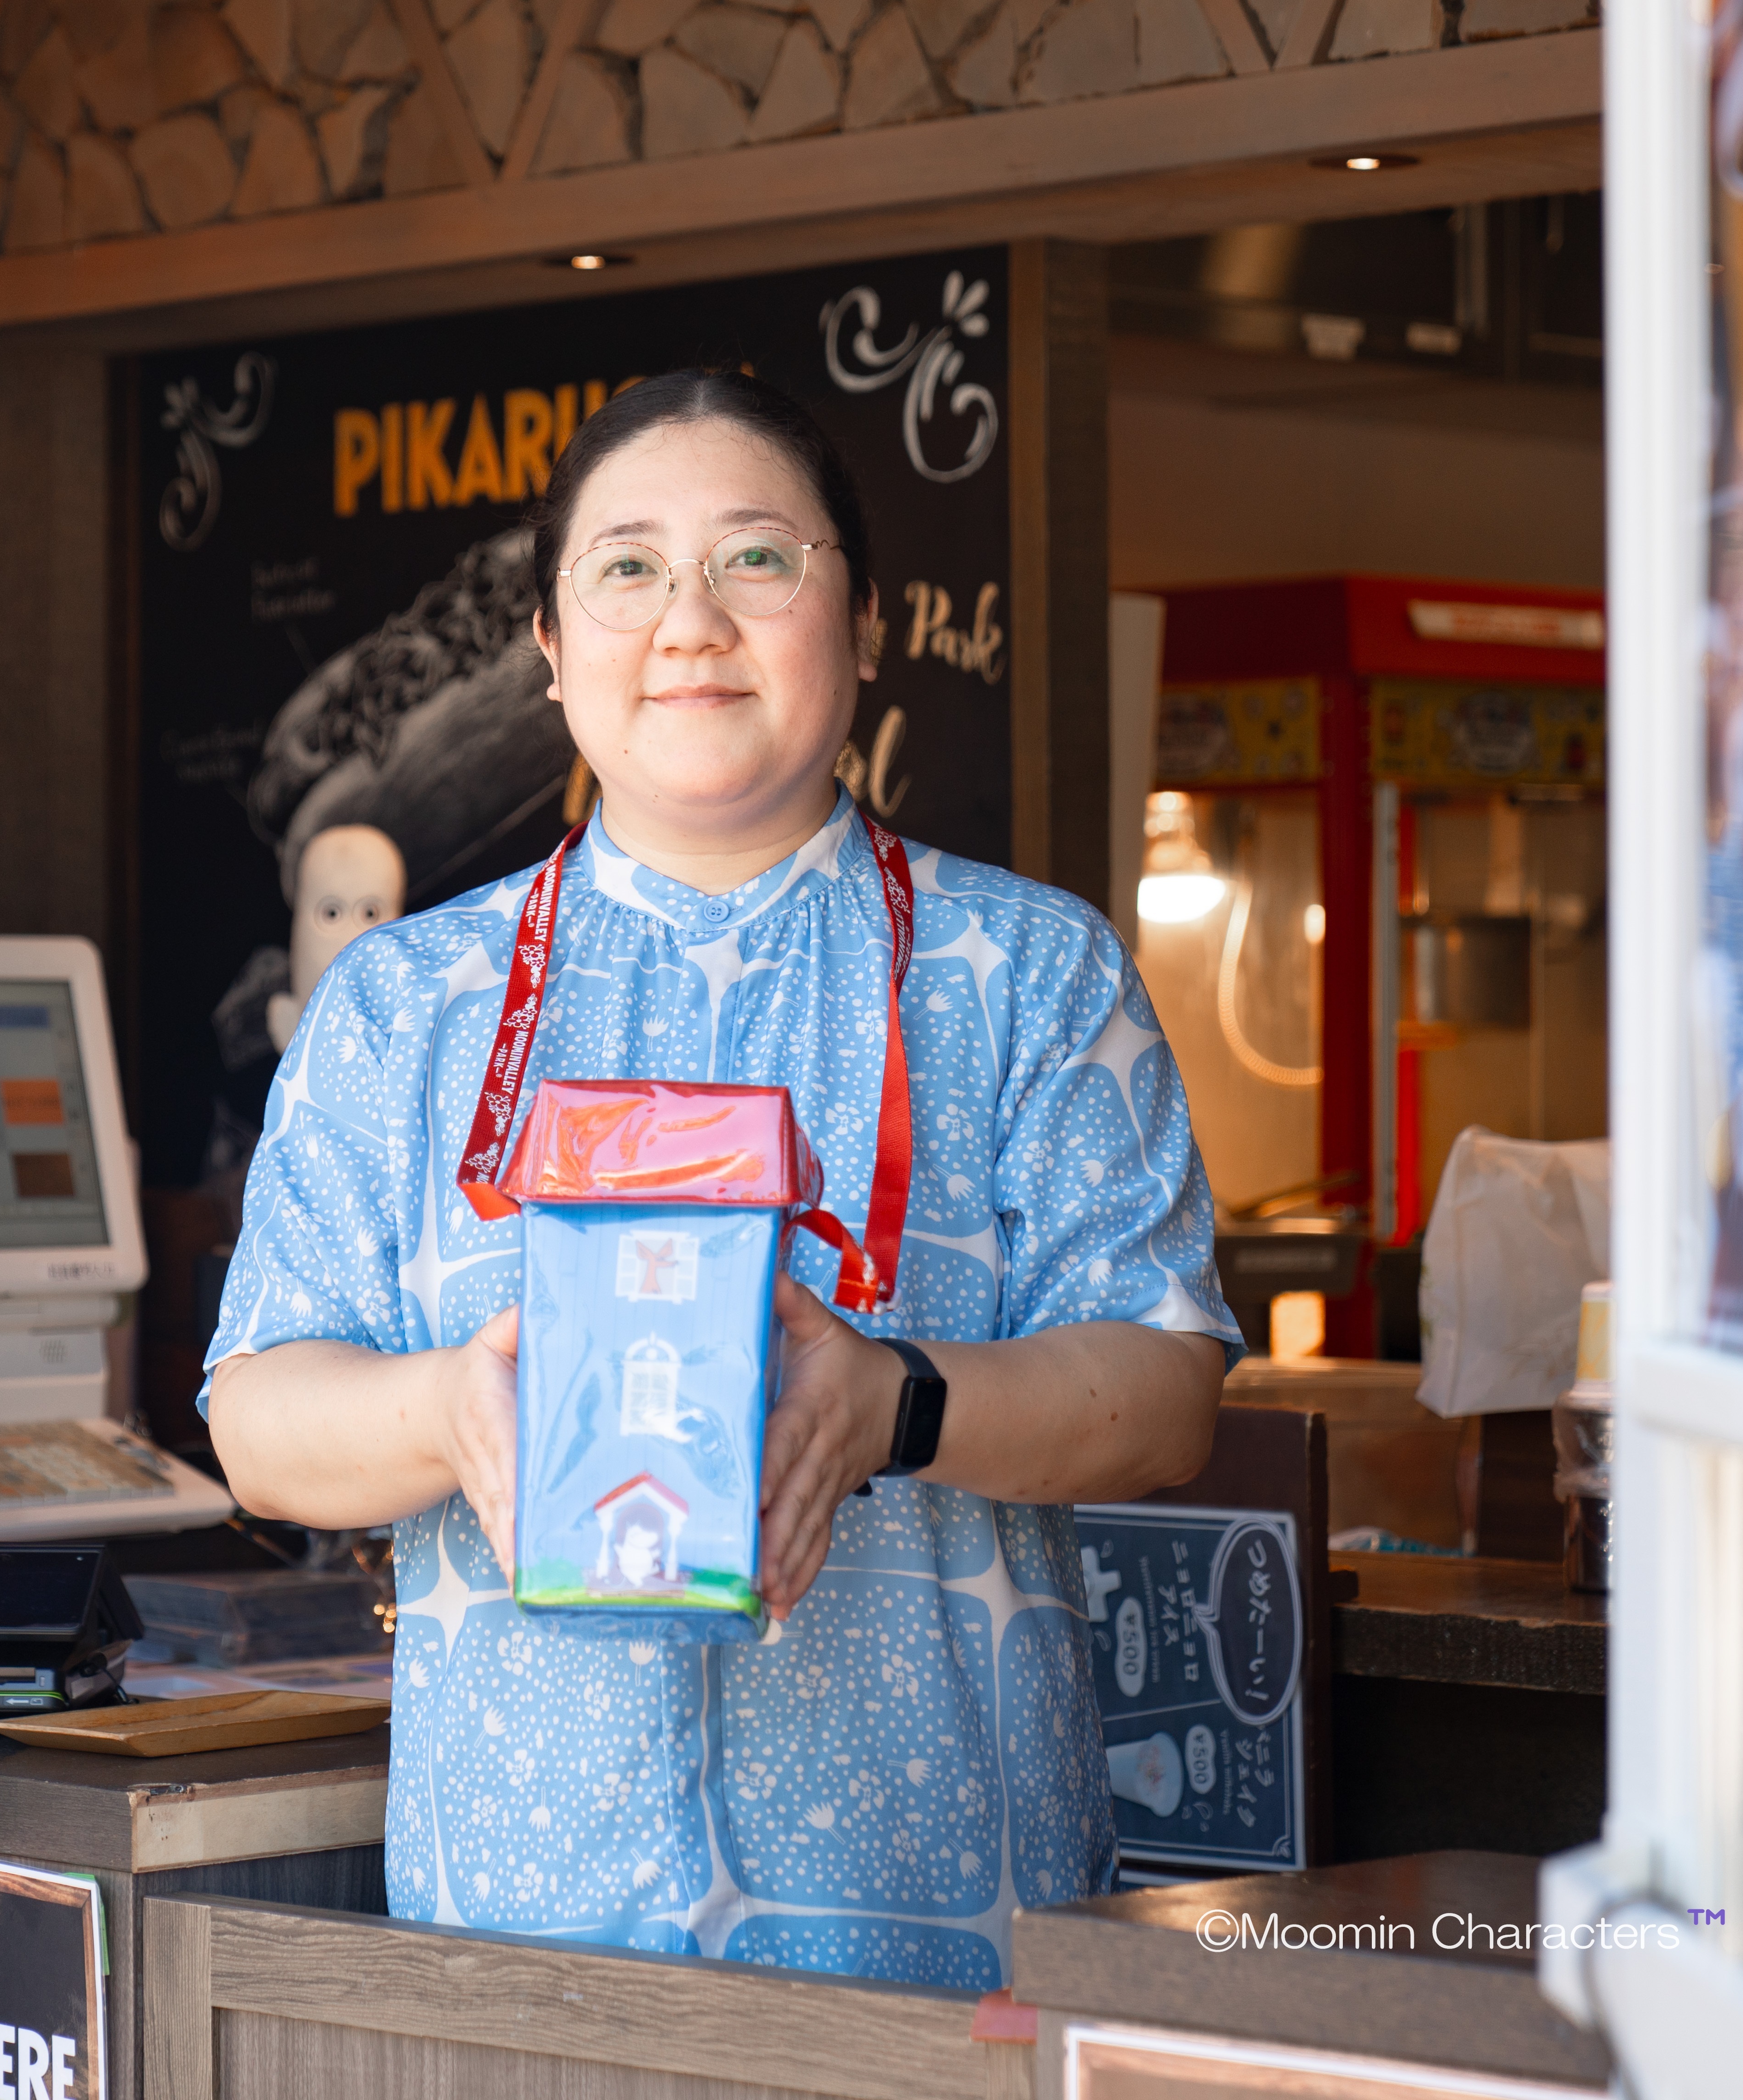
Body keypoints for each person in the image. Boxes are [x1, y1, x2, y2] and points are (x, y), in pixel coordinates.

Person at [204, 368, 1238, 1989]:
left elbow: (1167, 1386)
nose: (688, 619)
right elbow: (257, 1413)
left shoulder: (1030, 968)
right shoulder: (401, 1004)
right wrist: (450, 1415)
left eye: (758, 558)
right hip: (519, 1930)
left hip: (939, 1932)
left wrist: (892, 1401)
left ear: (868, 621)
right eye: (623, 568)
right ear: (548, 650)